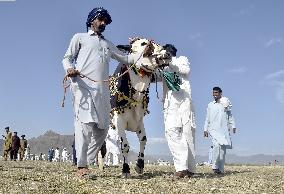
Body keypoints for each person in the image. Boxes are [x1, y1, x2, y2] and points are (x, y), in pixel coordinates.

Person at [62, 7, 145, 177]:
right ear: (91, 19)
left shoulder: (107, 44)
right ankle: (82, 166)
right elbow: (67, 58)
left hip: (102, 91)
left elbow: (127, 58)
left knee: (103, 128)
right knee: (84, 125)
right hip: (82, 87)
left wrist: (138, 48)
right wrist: (70, 68)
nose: (103, 23)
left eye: (105, 22)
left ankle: (85, 160)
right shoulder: (80, 38)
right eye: (100, 19)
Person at [156, 44, 196, 178]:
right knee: (171, 132)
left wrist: (170, 61)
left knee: (187, 134)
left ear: (169, 52)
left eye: (164, 53)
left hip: (184, 101)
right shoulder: (163, 68)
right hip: (169, 104)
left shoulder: (180, 60)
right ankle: (181, 168)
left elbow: (186, 71)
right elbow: (153, 77)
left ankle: (190, 169)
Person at [204, 87, 237, 174]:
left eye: (216, 93)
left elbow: (230, 115)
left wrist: (233, 125)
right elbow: (207, 118)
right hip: (213, 129)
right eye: (213, 93)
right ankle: (215, 167)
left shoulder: (225, 104)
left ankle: (221, 169)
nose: (214, 94)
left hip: (223, 130)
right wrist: (205, 129)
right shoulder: (210, 105)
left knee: (222, 150)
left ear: (220, 93)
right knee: (216, 146)